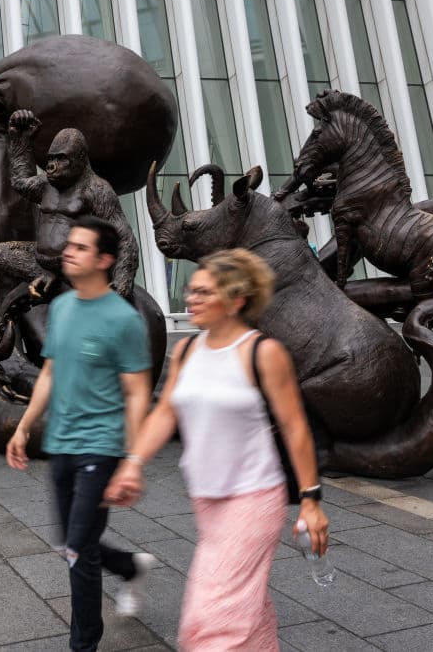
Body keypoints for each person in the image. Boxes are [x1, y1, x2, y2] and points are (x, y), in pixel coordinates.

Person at [104, 249, 330, 651]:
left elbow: (296, 428)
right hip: (207, 498)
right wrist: (133, 463)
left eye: (204, 292)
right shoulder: (188, 351)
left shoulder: (262, 352)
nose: (191, 299)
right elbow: (165, 414)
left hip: (254, 497)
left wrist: (311, 500)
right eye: (191, 291)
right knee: (246, 607)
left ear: (237, 299)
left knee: (208, 621)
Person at [6, 215, 154, 652]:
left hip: (103, 446)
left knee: (77, 550)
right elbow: (50, 372)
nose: (68, 251)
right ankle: (129, 567)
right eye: (69, 245)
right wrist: (24, 425)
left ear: (104, 259)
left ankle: (83, 645)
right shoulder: (64, 306)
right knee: (68, 541)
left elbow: (138, 393)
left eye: (80, 247)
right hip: (61, 442)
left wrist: (132, 461)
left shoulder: (123, 319)